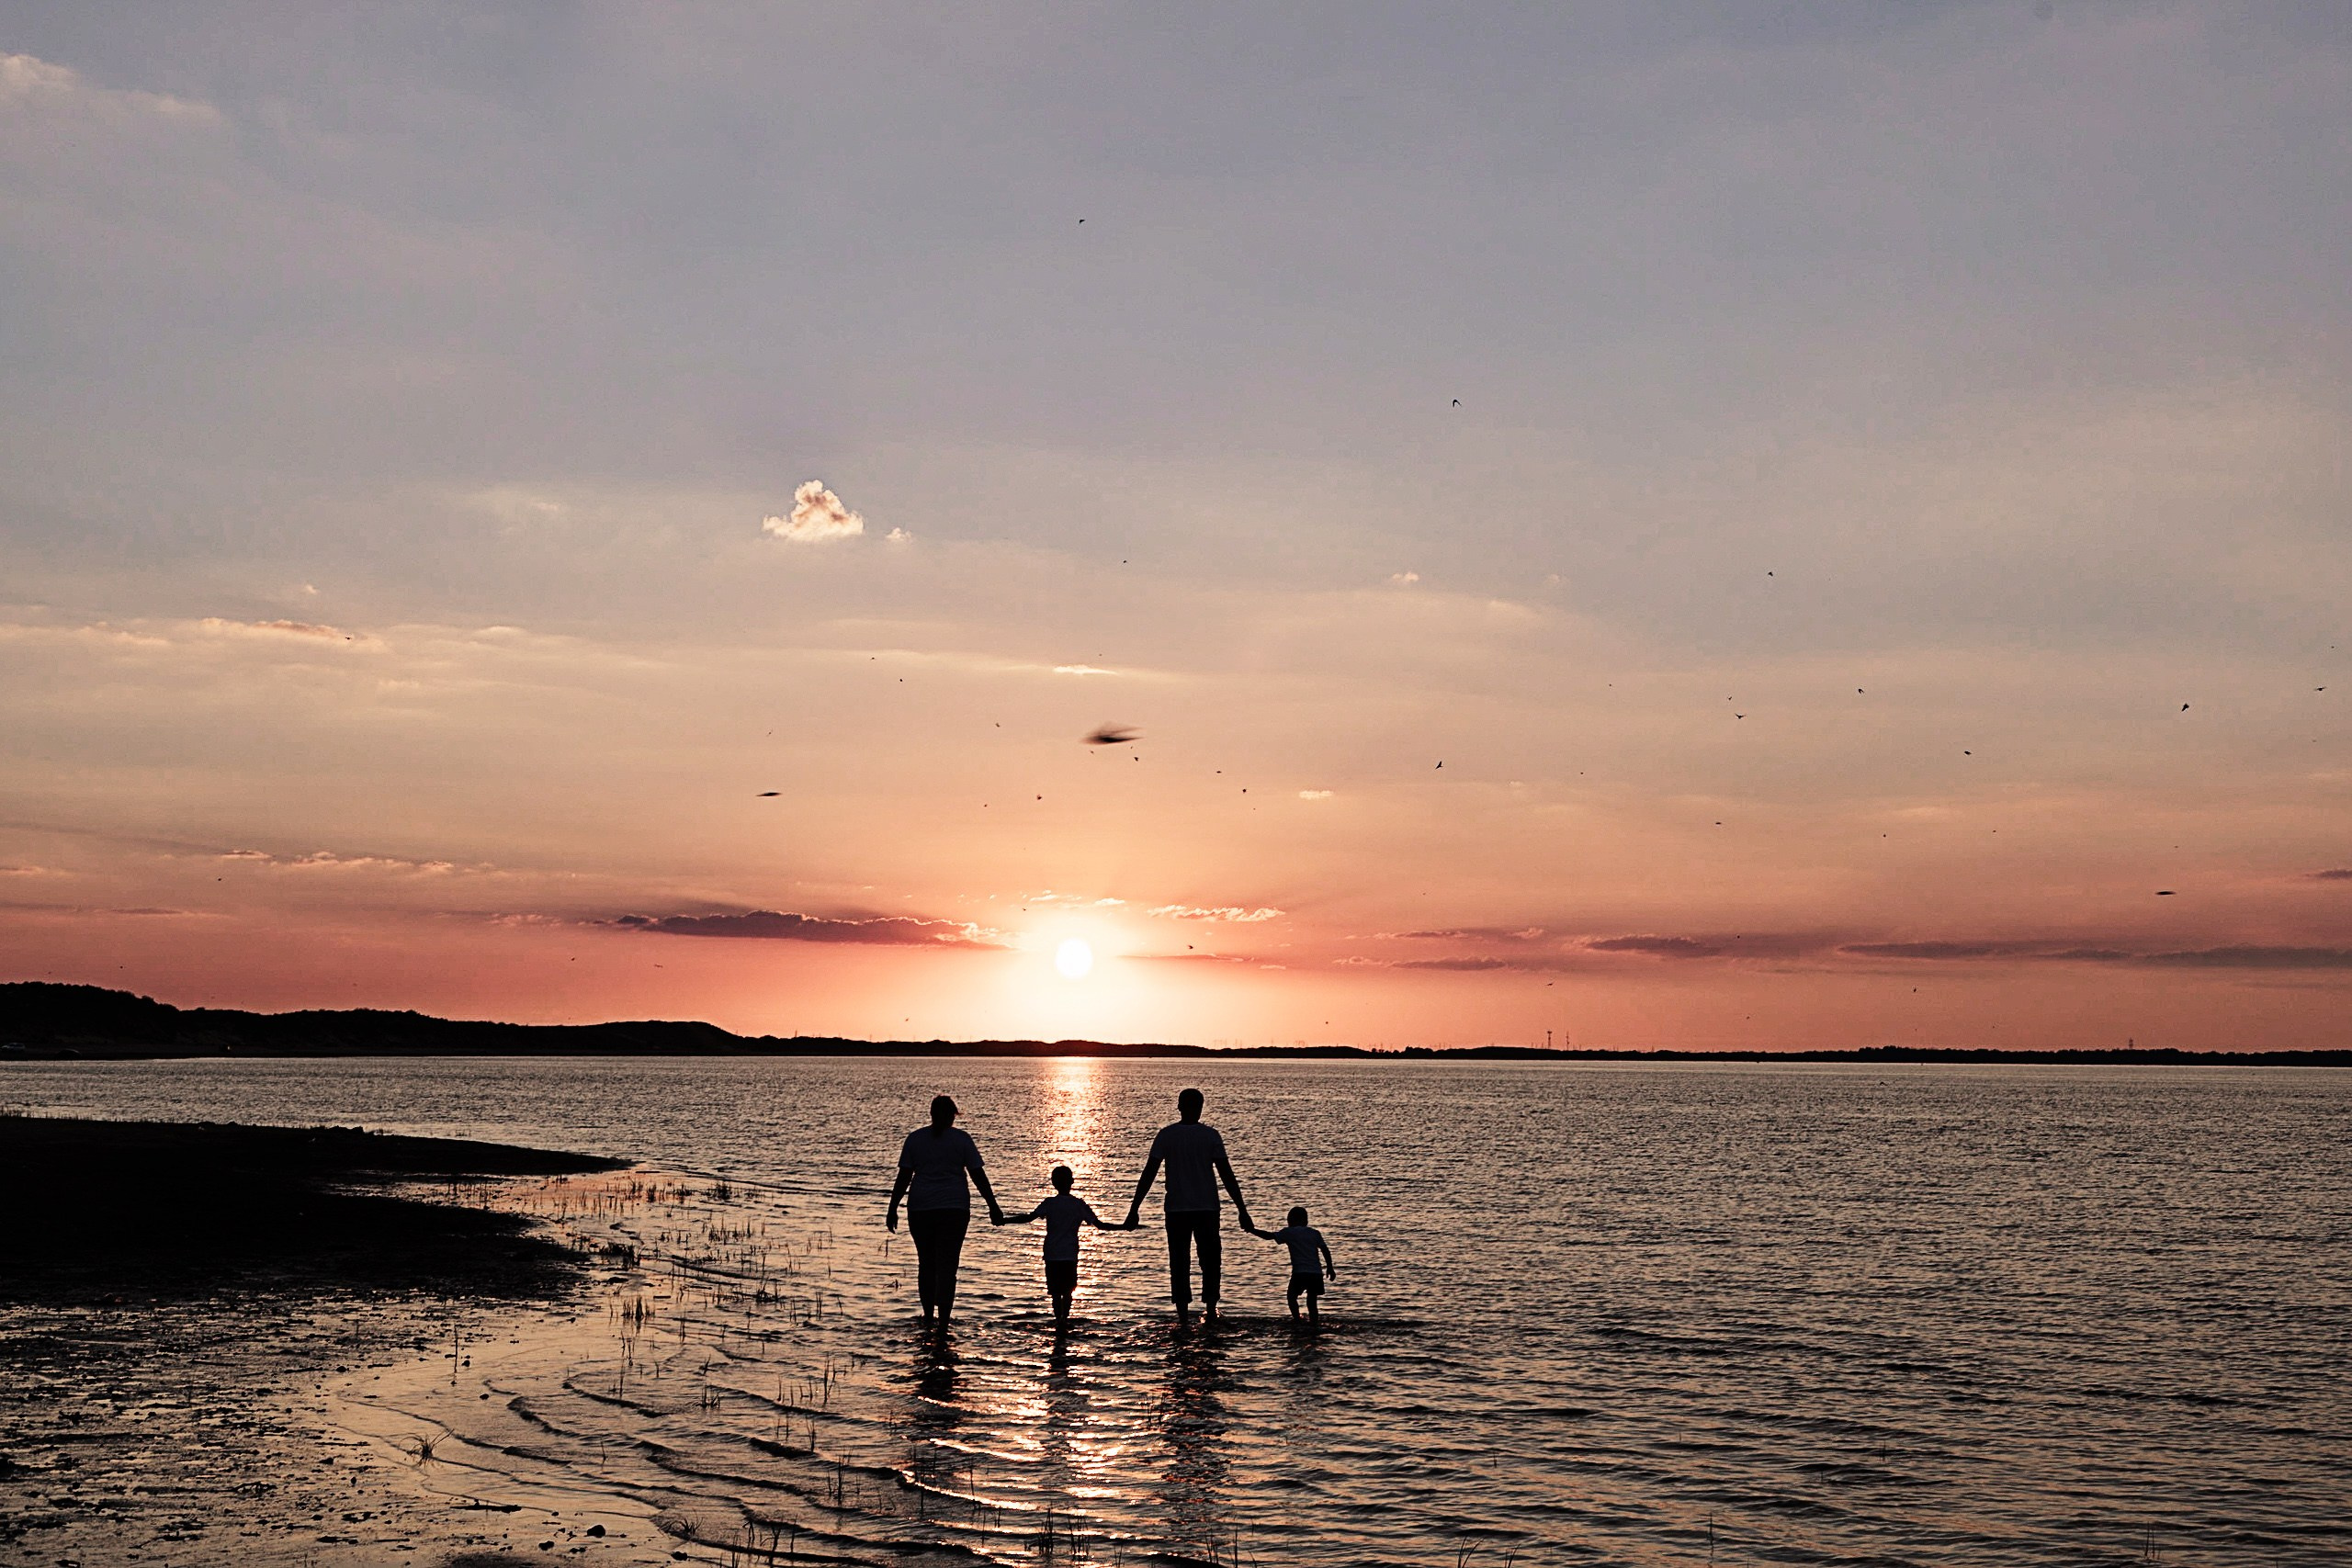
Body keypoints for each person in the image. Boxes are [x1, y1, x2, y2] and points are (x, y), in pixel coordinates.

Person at [1123, 1087, 1253, 1324]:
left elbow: (1148, 1174)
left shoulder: (1166, 1135)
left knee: (1179, 1261)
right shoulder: (1210, 1136)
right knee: (1211, 1260)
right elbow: (1227, 1175)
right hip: (1206, 1209)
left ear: (1180, 1106)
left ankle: (1183, 1314)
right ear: (1199, 1107)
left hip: (1178, 1210)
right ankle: (1211, 1309)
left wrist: (1134, 1209)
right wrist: (1242, 1210)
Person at [886, 1094, 1004, 1328]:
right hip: (954, 1210)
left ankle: (929, 1317)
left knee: (926, 1264)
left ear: (931, 1115)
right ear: (951, 1116)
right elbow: (977, 1175)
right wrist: (993, 1206)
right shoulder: (961, 1140)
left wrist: (892, 1208)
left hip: (921, 1209)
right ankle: (944, 1321)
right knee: (948, 1267)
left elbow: (903, 1178)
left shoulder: (915, 1139)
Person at [1001, 1164, 1136, 1328]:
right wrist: (1123, 1227)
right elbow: (1100, 1225)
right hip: (1069, 1254)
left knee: (1055, 1293)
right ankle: (1064, 1319)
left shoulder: (1049, 1203)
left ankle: (1059, 1320)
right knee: (1068, 1291)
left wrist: (1005, 1220)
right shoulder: (1078, 1205)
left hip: (1052, 1254)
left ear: (1053, 1183)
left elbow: (1028, 1218)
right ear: (1072, 1182)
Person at [1246, 1205, 1337, 1324]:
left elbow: (1269, 1236)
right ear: (1306, 1221)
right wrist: (1330, 1267)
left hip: (1300, 1273)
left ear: (1292, 1221)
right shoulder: (1315, 1233)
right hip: (1315, 1273)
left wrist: (1252, 1230)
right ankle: (1314, 1323)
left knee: (1291, 1297)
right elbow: (1325, 1250)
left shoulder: (1289, 1232)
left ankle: (1297, 1319)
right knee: (1312, 1301)